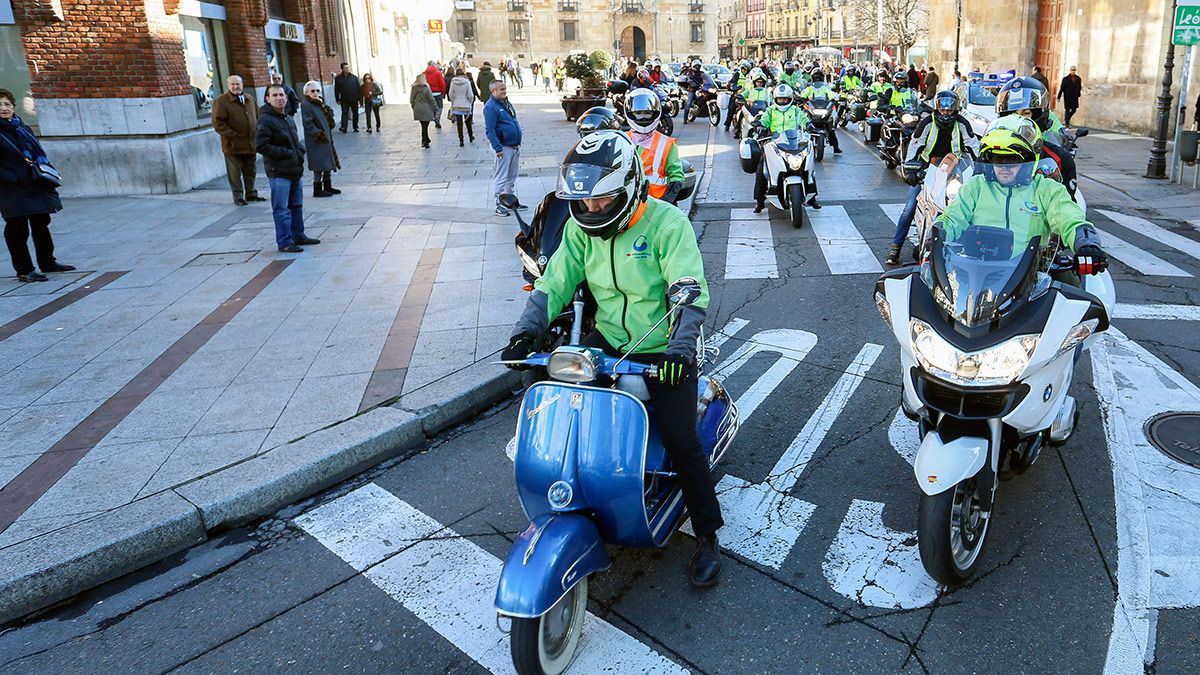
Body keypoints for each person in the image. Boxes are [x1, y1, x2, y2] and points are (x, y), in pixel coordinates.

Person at [501, 131, 724, 587]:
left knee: (682, 442)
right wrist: (525, 333)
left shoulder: (665, 224)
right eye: (584, 201)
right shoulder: (580, 231)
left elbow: (688, 289)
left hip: (662, 348)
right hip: (606, 340)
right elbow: (554, 283)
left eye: (603, 200)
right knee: (567, 406)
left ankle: (706, 535)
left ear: (630, 185)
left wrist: (681, 349)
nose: (592, 209)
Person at [937, 115, 1105, 277]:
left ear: (1029, 159)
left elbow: (1070, 219)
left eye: (1012, 159)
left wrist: (1087, 243)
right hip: (974, 273)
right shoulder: (976, 186)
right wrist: (935, 235)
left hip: (1033, 278)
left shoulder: (1047, 189)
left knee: (1081, 298)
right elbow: (953, 218)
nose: (1004, 166)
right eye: (997, 159)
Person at [884, 90, 980, 264]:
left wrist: (981, 167)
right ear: (937, 107)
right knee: (909, 208)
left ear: (956, 108)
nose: (946, 111)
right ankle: (895, 247)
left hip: (955, 170)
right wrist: (911, 169)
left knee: (969, 206)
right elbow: (915, 145)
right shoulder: (927, 122)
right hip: (928, 170)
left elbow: (973, 146)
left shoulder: (962, 123)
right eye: (943, 107)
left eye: (950, 108)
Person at [0, 89, 74, 282]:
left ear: (13, 107)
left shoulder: (21, 127)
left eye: (7, 104)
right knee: (17, 228)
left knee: (41, 222)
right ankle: (24, 269)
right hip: (12, 188)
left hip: (34, 182)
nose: (4, 108)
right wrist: (11, 177)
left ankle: (48, 262)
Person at [256, 84, 319, 253]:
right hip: (278, 172)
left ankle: (299, 236)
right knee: (282, 209)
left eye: (281, 95)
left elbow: (294, 140)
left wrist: (299, 152)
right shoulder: (265, 119)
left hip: (294, 169)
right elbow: (261, 145)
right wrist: (286, 153)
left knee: (296, 206)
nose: (279, 98)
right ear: (267, 99)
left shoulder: (287, 117)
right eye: (274, 95)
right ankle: (284, 242)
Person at [994, 76, 1077, 199]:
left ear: (1039, 116)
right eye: (1013, 114)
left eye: (1026, 114)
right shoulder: (990, 154)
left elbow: (1067, 208)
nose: (1019, 120)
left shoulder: (1060, 158)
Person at [753, 83, 820, 213]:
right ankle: (759, 202)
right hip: (774, 143)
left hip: (793, 142)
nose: (782, 102)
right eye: (780, 99)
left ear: (790, 99)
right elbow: (764, 121)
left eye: (785, 99)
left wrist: (809, 125)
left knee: (808, 167)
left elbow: (803, 119)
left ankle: (812, 198)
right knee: (762, 171)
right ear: (775, 99)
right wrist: (761, 126)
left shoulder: (795, 110)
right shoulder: (770, 111)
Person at [211, 75, 264, 206]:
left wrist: (258, 132)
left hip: (250, 143)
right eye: (232, 84)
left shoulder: (249, 98)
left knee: (250, 170)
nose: (235, 87)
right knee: (234, 173)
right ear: (228, 86)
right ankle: (238, 196)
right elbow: (218, 123)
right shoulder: (221, 101)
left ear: (242, 84)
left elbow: (258, 116)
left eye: (237, 84)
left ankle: (251, 193)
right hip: (233, 145)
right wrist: (232, 135)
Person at [625, 89, 685, 204]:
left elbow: (676, 176)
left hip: (659, 208)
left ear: (655, 112)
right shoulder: (622, 140)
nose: (643, 118)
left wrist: (666, 202)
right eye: (638, 113)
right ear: (630, 113)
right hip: (627, 208)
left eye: (647, 113)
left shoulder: (667, 144)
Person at [485, 80, 524, 216]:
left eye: (505, 88)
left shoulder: (505, 103)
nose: (504, 91)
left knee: (511, 176)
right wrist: (498, 148)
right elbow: (490, 130)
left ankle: (510, 201)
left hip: (513, 145)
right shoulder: (490, 107)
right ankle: (498, 204)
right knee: (501, 177)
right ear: (493, 91)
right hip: (503, 147)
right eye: (501, 89)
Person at [300, 81, 341, 199]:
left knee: (328, 162)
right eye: (312, 91)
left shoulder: (320, 102)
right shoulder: (306, 104)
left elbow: (327, 115)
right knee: (318, 164)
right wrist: (318, 134)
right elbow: (308, 123)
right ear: (307, 93)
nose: (315, 93)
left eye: (317, 90)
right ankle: (317, 188)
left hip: (325, 137)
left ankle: (327, 186)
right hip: (316, 139)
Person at [799, 70, 842, 154]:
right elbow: (803, 95)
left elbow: (830, 94)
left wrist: (833, 99)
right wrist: (803, 99)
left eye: (819, 77)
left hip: (823, 108)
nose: (817, 79)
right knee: (803, 125)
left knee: (831, 128)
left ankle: (835, 146)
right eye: (816, 77)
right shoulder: (810, 88)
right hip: (812, 109)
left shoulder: (825, 88)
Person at [447, 67, 477, 147]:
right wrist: (470, 102)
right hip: (466, 105)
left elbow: (450, 94)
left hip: (457, 105)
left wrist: (454, 101)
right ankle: (471, 137)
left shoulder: (453, 82)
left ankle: (461, 140)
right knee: (468, 122)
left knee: (459, 124)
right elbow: (470, 95)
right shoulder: (467, 82)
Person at [682, 60, 715, 124]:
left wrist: (710, 82)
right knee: (689, 103)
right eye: (696, 66)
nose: (697, 67)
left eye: (698, 66)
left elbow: (706, 78)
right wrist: (691, 82)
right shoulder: (690, 72)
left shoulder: (701, 73)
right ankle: (685, 118)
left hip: (700, 88)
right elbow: (688, 79)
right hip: (692, 89)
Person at [410, 73, 436, 149]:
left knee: (423, 125)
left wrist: (414, 107)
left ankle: (426, 139)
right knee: (425, 126)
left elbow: (411, 99)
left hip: (418, 108)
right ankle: (425, 141)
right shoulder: (426, 88)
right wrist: (435, 108)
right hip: (426, 108)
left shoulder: (414, 88)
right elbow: (431, 99)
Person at [334, 63, 361, 132]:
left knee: (355, 113)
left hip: (354, 98)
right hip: (344, 99)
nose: (347, 69)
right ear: (342, 69)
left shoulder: (354, 77)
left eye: (348, 68)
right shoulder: (338, 78)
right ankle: (344, 127)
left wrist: (360, 99)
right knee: (344, 113)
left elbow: (358, 89)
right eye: (345, 68)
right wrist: (337, 99)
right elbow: (336, 90)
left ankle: (355, 127)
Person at [423, 61, 447, 130]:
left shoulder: (424, 73)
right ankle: (437, 118)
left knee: (431, 106)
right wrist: (443, 92)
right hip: (438, 92)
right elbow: (442, 83)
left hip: (428, 92)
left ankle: (434, 116)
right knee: (440, 106)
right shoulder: (438, 73)